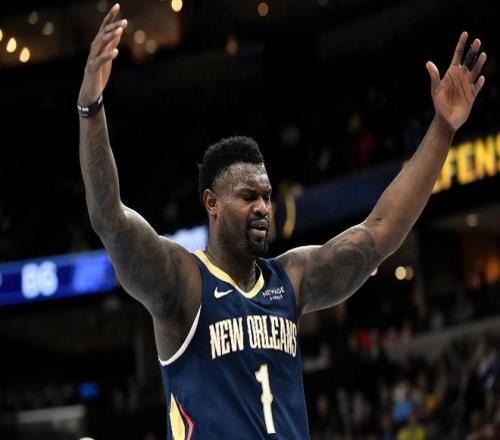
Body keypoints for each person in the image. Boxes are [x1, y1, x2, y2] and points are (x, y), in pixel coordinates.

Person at [78, 4, 486, 439]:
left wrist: (443, 128)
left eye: (267, 196)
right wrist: (91, 107)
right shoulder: (183, 282)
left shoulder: (290, 279)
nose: (262, 207)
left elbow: (380, 231)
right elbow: (110, 219)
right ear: (212, 202)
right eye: (248, 196)